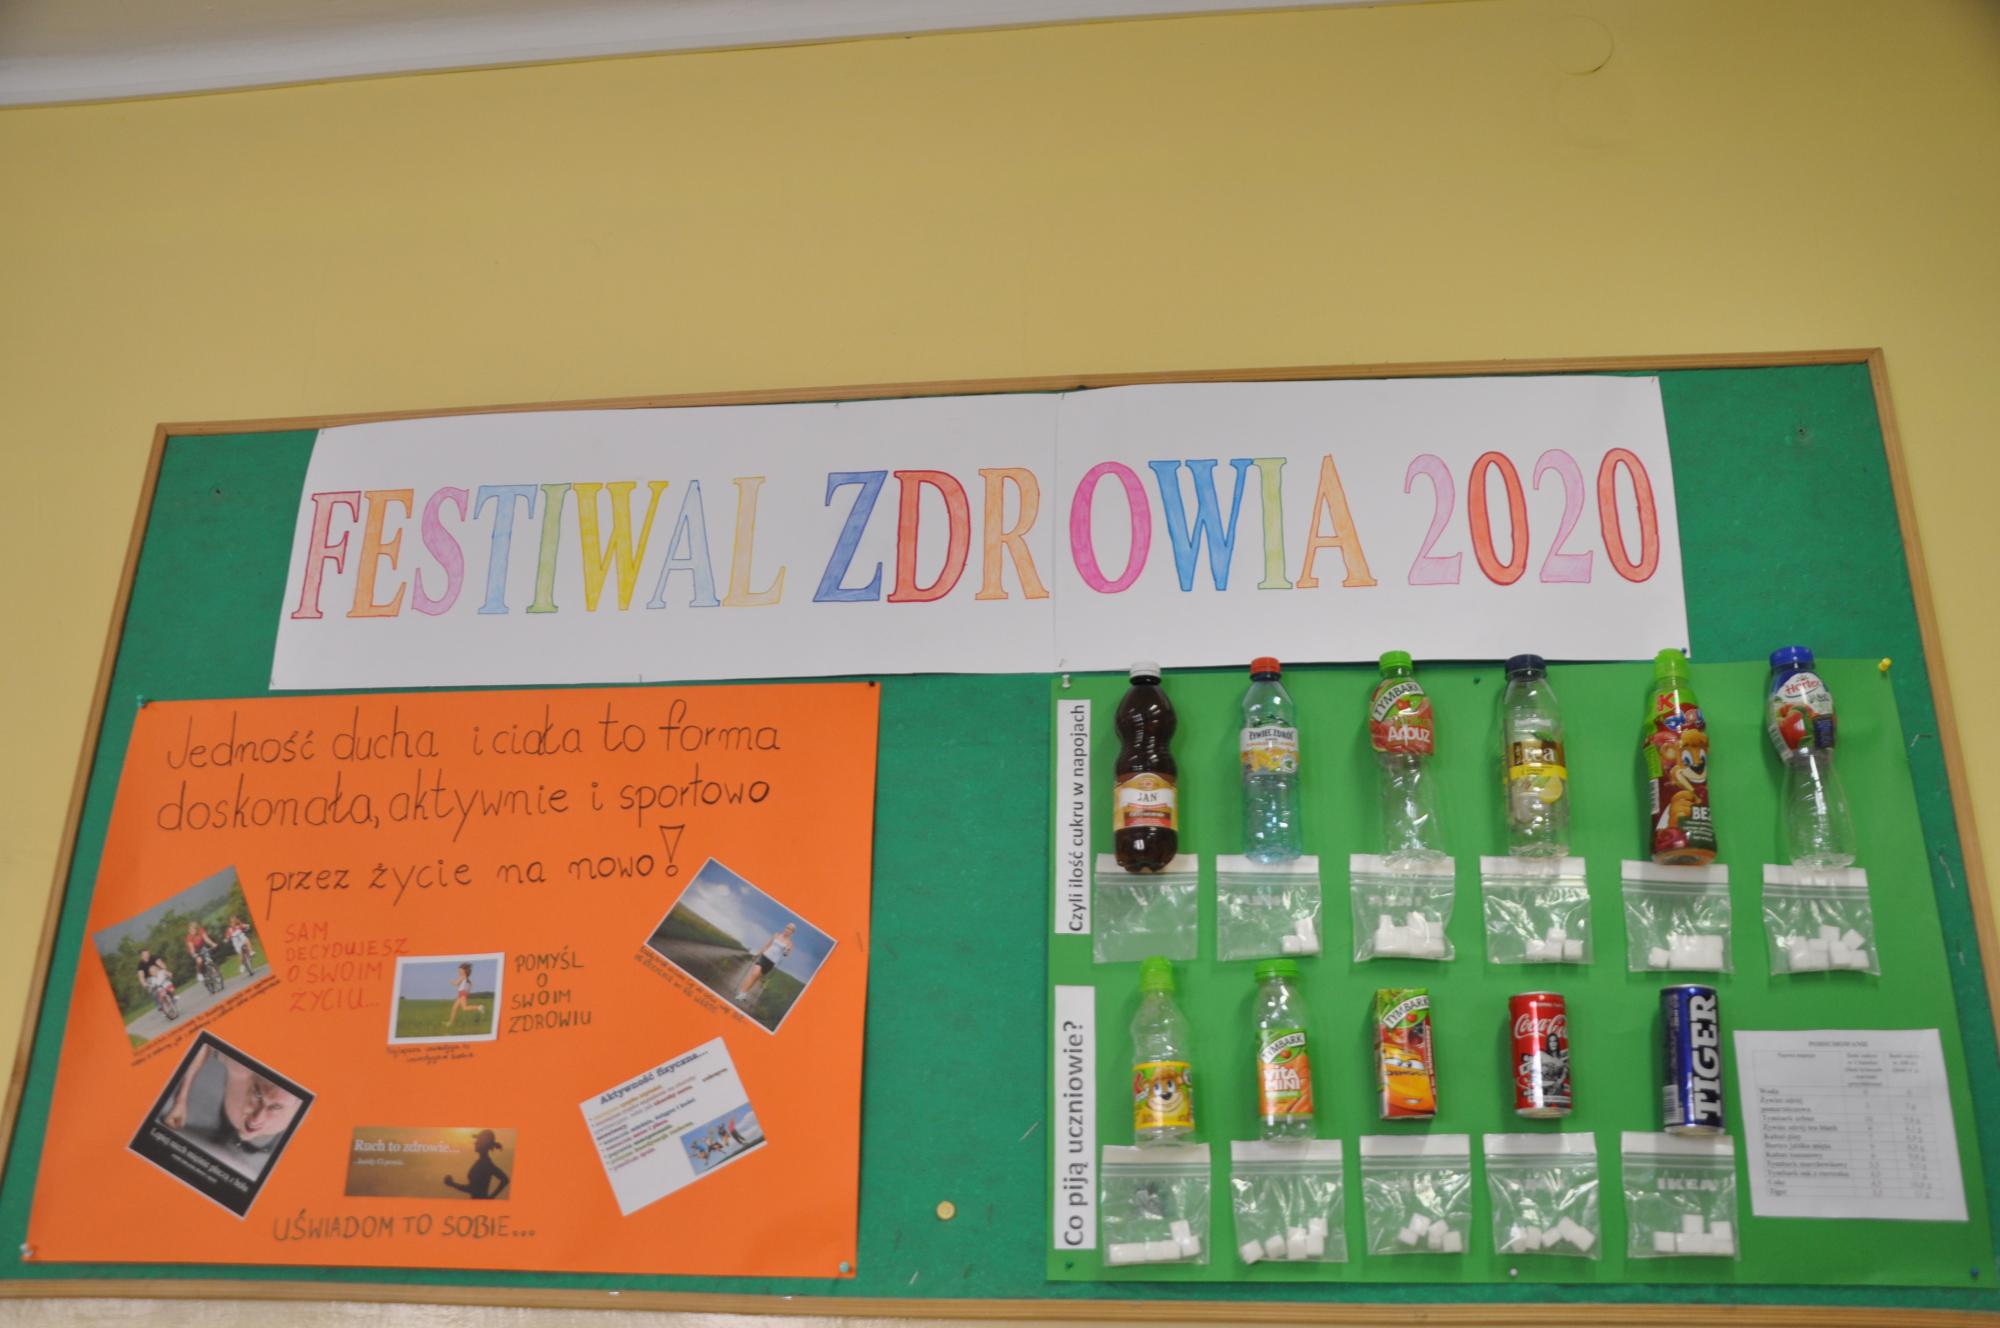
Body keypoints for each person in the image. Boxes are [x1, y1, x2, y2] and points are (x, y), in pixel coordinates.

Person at [160, 1042, 303, 1177]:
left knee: (254, 1147)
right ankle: (224, 1131)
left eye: (276, 1107)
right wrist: (180, 1100)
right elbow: (205, 1045)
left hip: (266, 1139)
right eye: (258, 1094)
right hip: (229, 1115)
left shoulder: (305, 1106)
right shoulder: (240, 1067)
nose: (256, 1118)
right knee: (225, 1130)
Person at [734, 923, 796, 1000]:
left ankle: (744, 993)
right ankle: (741, 992)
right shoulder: (776, 935)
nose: (788, 930)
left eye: (790, 929)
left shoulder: (790, 943)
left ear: (792, 932)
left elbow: (786, 954)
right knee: (754, 973)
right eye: (787, 928)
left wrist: (787, 950)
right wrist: (758, 954)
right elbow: (767, 945)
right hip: (764, 957)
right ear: (785, 928)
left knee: (756, 978)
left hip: (771, 963)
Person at [443, 1129, 510, 1199]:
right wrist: (491, 1197)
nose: (475, 1143)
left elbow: (472, 1189)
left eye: (478, 1141)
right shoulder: (485, 1163)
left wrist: (452, 1184)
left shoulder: (484, 1164)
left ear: (484, 1144)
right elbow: (505, 1180)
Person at [445, 962, 486, 1028]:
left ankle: (479, 1007)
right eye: (458, 970)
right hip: (461, 994)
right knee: (454, 1008)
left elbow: (456, 983)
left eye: (460, 970)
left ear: (464, 971)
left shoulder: (462, 977)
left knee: (464, 1008)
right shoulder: (465, 978)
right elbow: (470, 984)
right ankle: (450, 1023)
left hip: (462, 994)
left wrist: (451, 982)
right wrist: (467, 992)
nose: (459, 971)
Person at [185, 921, 220, 986]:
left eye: (193, 929)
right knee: (199, 961)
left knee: (209, 961)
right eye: (190, 930)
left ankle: (216, 976)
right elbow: (191, 947)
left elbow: (206, 939)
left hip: (202, 948)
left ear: (196, 929)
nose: (191, 931)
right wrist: (194, 954)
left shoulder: (201, 931)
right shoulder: (189, 937)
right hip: (194, 950)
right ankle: (199, 974)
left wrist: (213, 944)